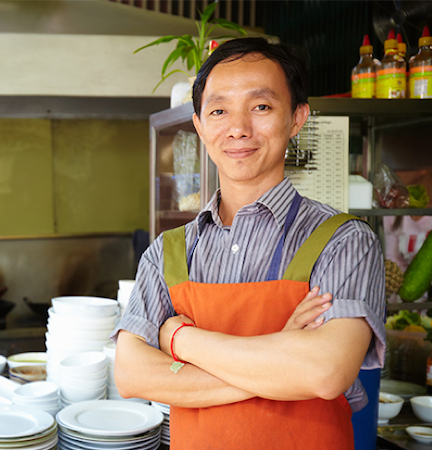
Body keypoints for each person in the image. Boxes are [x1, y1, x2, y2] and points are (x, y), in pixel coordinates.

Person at [112, 38, 385, 449]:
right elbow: (132, 375)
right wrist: (279, 360)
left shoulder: (344, 240)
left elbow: (324, 374)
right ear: (200, 126)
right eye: (219, 110)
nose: (238, 128)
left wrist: (179, 340)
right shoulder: (168, 253)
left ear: (297, 118)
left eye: (261, 107)